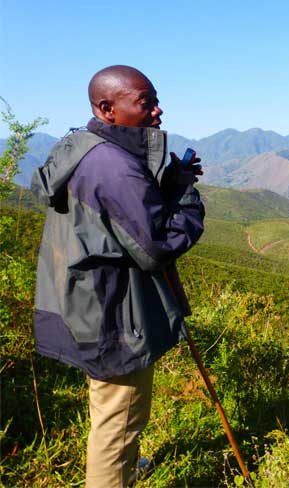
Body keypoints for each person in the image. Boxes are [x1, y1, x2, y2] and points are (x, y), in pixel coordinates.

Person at [30, 65, 205, 487]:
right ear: (108, 109)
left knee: (109, 405)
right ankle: (112, 475)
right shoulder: (114, 166)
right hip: (113, 312)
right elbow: (156, 246)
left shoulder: (81, 147)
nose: (157, 111)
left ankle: (123, 466)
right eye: (145, 102)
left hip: (82, 301)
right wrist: (184, 193)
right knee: (120, 416)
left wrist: (163, 185)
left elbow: (119, 224)